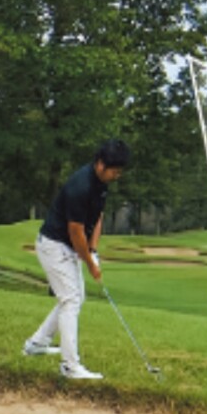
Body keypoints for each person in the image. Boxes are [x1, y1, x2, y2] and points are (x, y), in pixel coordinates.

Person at [21, 140, 130, 380]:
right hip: (53, 246)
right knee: (71, 299)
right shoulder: (80, 186)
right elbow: (75, 231)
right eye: (115, 170)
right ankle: (70, 366)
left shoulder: (102, 184)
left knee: (73, 297)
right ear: (101, 164)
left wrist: (93, 250)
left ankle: (36, 344)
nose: (117, 175)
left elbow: (98, 217)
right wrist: (90, 264)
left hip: (68, 246)